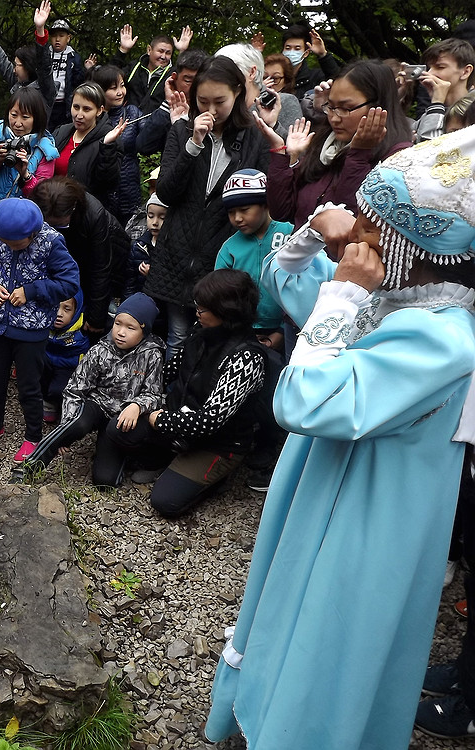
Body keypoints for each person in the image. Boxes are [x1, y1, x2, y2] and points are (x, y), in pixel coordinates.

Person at [205, 127, 475, 749]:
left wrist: (344, 294)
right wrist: (315, 238)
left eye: (378, 227)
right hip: (335, 486)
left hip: (370, 516)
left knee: (329, 629)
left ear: (422, 247)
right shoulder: (401, 299)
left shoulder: (442, 337)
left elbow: (302, 399)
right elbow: (285, 277)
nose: (361, 232)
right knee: (291, 603)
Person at [146, 56, 269, 357]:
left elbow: (263, 197)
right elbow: (166, 191)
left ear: (238, 93)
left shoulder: (253, 136)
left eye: (220, 101)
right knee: (176, 336)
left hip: (220, 257)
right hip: (177, 254)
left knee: (213, 340)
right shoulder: (181, 131)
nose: (211, 110)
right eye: (203, 101)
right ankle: (170, 399)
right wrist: (193, 145)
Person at [119, 269, 266, 515]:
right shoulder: (200, 330)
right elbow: (170, 370)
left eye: (203, 308)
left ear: (226, 311)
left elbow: (210, 421)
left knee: (164, 501)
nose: (197, 311)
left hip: (218, 442)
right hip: (181, 417)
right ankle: (167, 457)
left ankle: (213, 476)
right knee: (121, 430)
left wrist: (160, 419)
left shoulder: (246, 357)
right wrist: (139, 400)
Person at [0, 197, 79, 463]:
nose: (7, 246)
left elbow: (69, 283)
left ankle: (33, 436)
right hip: (0, 325)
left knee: (29, 386)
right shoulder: (0, 235)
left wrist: (30, 292)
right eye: (4, 241)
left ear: (31, 234)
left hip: (33, 330)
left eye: (14, 244)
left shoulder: (52, 243)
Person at [21, 292, 164, 486]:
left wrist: (137, 406)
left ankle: (118, 453)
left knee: (105, 481)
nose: (121, 332)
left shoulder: (152, 355)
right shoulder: (100, 349)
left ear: (144, 331)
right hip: (97, 404)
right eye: (118, 324)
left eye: (130, 328)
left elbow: (154, 394)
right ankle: (31, 466)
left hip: (121, 419)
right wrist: (67, 425)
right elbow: (75, 389)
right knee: (77, 423)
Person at [260, 60, 414, 229]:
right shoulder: (325, 143)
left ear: (378, 106)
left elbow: (347, 221)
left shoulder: (398, 158)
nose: (334, 117)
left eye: (345, 108)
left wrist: (359, 155)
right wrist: (284, 157)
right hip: (302, 253)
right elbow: (281, 211)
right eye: (330, 106)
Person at [32, 176, 129, 342]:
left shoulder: (94, 215)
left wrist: (95, 318)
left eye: (58, 225)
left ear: (73, 209)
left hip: (98, 263)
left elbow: (100, 270)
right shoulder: (39, 204)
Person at [214, 169, 290, 349]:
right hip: (240, 332)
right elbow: (219, 295)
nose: (237, 218)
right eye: (231, 212)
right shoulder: (229, 248)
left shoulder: (290, 235)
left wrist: (281, 331)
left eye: (244, 210)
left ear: (266, 204)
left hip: (287, 329)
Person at [0, 87, 59, 241]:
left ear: (37, 119)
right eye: (14, 115)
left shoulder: (44, 151)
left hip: (18, 234)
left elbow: (43, 201)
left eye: (25, 117)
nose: (17, 123)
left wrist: (25, 175)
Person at [0, 2, 55, 120]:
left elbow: (44, 64)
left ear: (28, 66)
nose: (13, 69)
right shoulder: (17, 82)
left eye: (17, 65)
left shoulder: (45, 88)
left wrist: (40, 29)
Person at [88, 64, 146, 223]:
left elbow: (149, 137)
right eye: (113, 88)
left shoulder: (132, 112)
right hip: (101, 192)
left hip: (129, 189)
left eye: (122, 86)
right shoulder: (92, 118)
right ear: (100, 91)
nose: (120, 92)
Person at [51, 81, 126, 204]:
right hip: (54, 207)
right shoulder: (61, 132)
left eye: (86, 109)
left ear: (99, 110)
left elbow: (108, 183)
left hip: (86, 211)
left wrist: (107, 146)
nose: (79, 115)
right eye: (76, 107)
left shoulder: (109, 139)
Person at [215, 43, 302, 138]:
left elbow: (298, 149)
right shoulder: (216, 105)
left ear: (252, 73)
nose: (222, 79)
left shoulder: (284, 102)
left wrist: (273, 125)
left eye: (229, 73)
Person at [136, 48, 211, 156]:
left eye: (200, 81)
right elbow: (144, 146)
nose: (195, 88)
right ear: (174, 78)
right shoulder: (166, 111)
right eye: (188, 81)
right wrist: (169, 104)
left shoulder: (214, 110)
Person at [111, 25, 192, 113]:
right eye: (160, 51)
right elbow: (110, 76)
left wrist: (183, 52)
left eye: (168, 53)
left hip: (155, 123)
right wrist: (123, 50)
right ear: (149, 50)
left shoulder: (172, 74)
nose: (163, 56)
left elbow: (186, 77)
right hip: (127, 120)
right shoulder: (134, 67)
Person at [41, 289, 91, 423]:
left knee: (58, 391)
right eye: (55, 307)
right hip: (47, 361)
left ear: (76, 311)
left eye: (66, 309)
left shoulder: (83, 327)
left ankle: (61, 406)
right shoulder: (42, 321)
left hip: (69, 367)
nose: (59, 314)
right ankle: (46, 399)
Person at [415, 38, 475, 141]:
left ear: (465, 72)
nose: (429, 73)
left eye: (440, 67)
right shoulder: (427, 115)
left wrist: (437, 104)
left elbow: (434, 152)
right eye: (429, 68)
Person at [45, 15, 87, 131]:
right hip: (47, 102)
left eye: (61, 36)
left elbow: (78, 81)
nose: (57, 39)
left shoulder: (73, 57)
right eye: (54, 36)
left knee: (62, 130)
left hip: (64, 103)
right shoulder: (46, 55)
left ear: (68, 38)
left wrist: (87, 70)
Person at [280, 23, 342, 100]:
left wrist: (323, 55)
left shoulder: (315, 77)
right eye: (288, 48)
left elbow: (338, 82)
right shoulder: (275, 77)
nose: (291, 52)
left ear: (306, 53)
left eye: (297, 48)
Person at [125, 193, 166, 296]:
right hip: (140, 300)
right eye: (151, 216)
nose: (155, 222)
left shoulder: (171, 248)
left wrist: (152, 274)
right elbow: (130, 281)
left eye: (162, 218)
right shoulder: (138, 246)